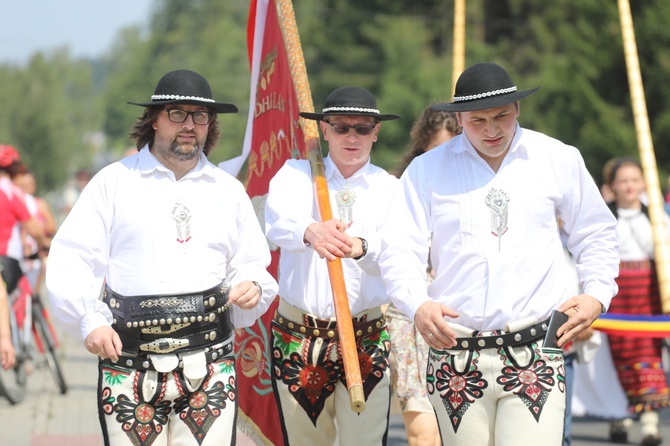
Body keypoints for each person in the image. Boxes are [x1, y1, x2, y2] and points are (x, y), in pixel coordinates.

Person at [378, 62, 620, 446]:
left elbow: (596, 232)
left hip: (536, 349)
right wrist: (416, 304)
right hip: (453, 351)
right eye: (478, 121)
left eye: (501, 117)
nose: (492, 130)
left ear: (518, 110)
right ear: (459, 119)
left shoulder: (557, 158)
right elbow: (398, 249)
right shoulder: (426, 171)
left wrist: (597, 293)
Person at [45, 69, 278, 446]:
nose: (190, 125)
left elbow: (251, 262)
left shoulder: (228, 191)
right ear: (154, 119)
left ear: (210, 125)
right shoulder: (114, 182)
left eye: (199, 116)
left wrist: (251, 284)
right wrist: (89, 319)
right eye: (177, 114)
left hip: (211, 364)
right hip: (128, 361)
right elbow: (72, 258)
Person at [264, 86, 401, 445]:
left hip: (364, 336)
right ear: (324, 130)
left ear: (376, 131)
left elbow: (398, 252)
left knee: (365, 442)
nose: (351, 136)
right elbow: (277, 222)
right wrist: (310, 230)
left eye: (362, 127)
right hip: (301, 336)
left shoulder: (390, 188)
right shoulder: (295, 175)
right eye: (341, 127)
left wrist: (362, 247)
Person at [385, 106, 461, 446]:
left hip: (463, 322)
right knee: (424, 434)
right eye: (436, 151)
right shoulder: (401, 191)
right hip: (410, 319)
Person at [604, 157, 670, 446]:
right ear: (612, 186)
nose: (629, 186)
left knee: (649, 354)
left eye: (635, 180)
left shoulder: (657, 217)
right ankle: (618, 417)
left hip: (648, 296)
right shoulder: (604, 219)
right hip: (616, 296)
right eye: (623, 181)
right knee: (614, 358)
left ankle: (649, 423)